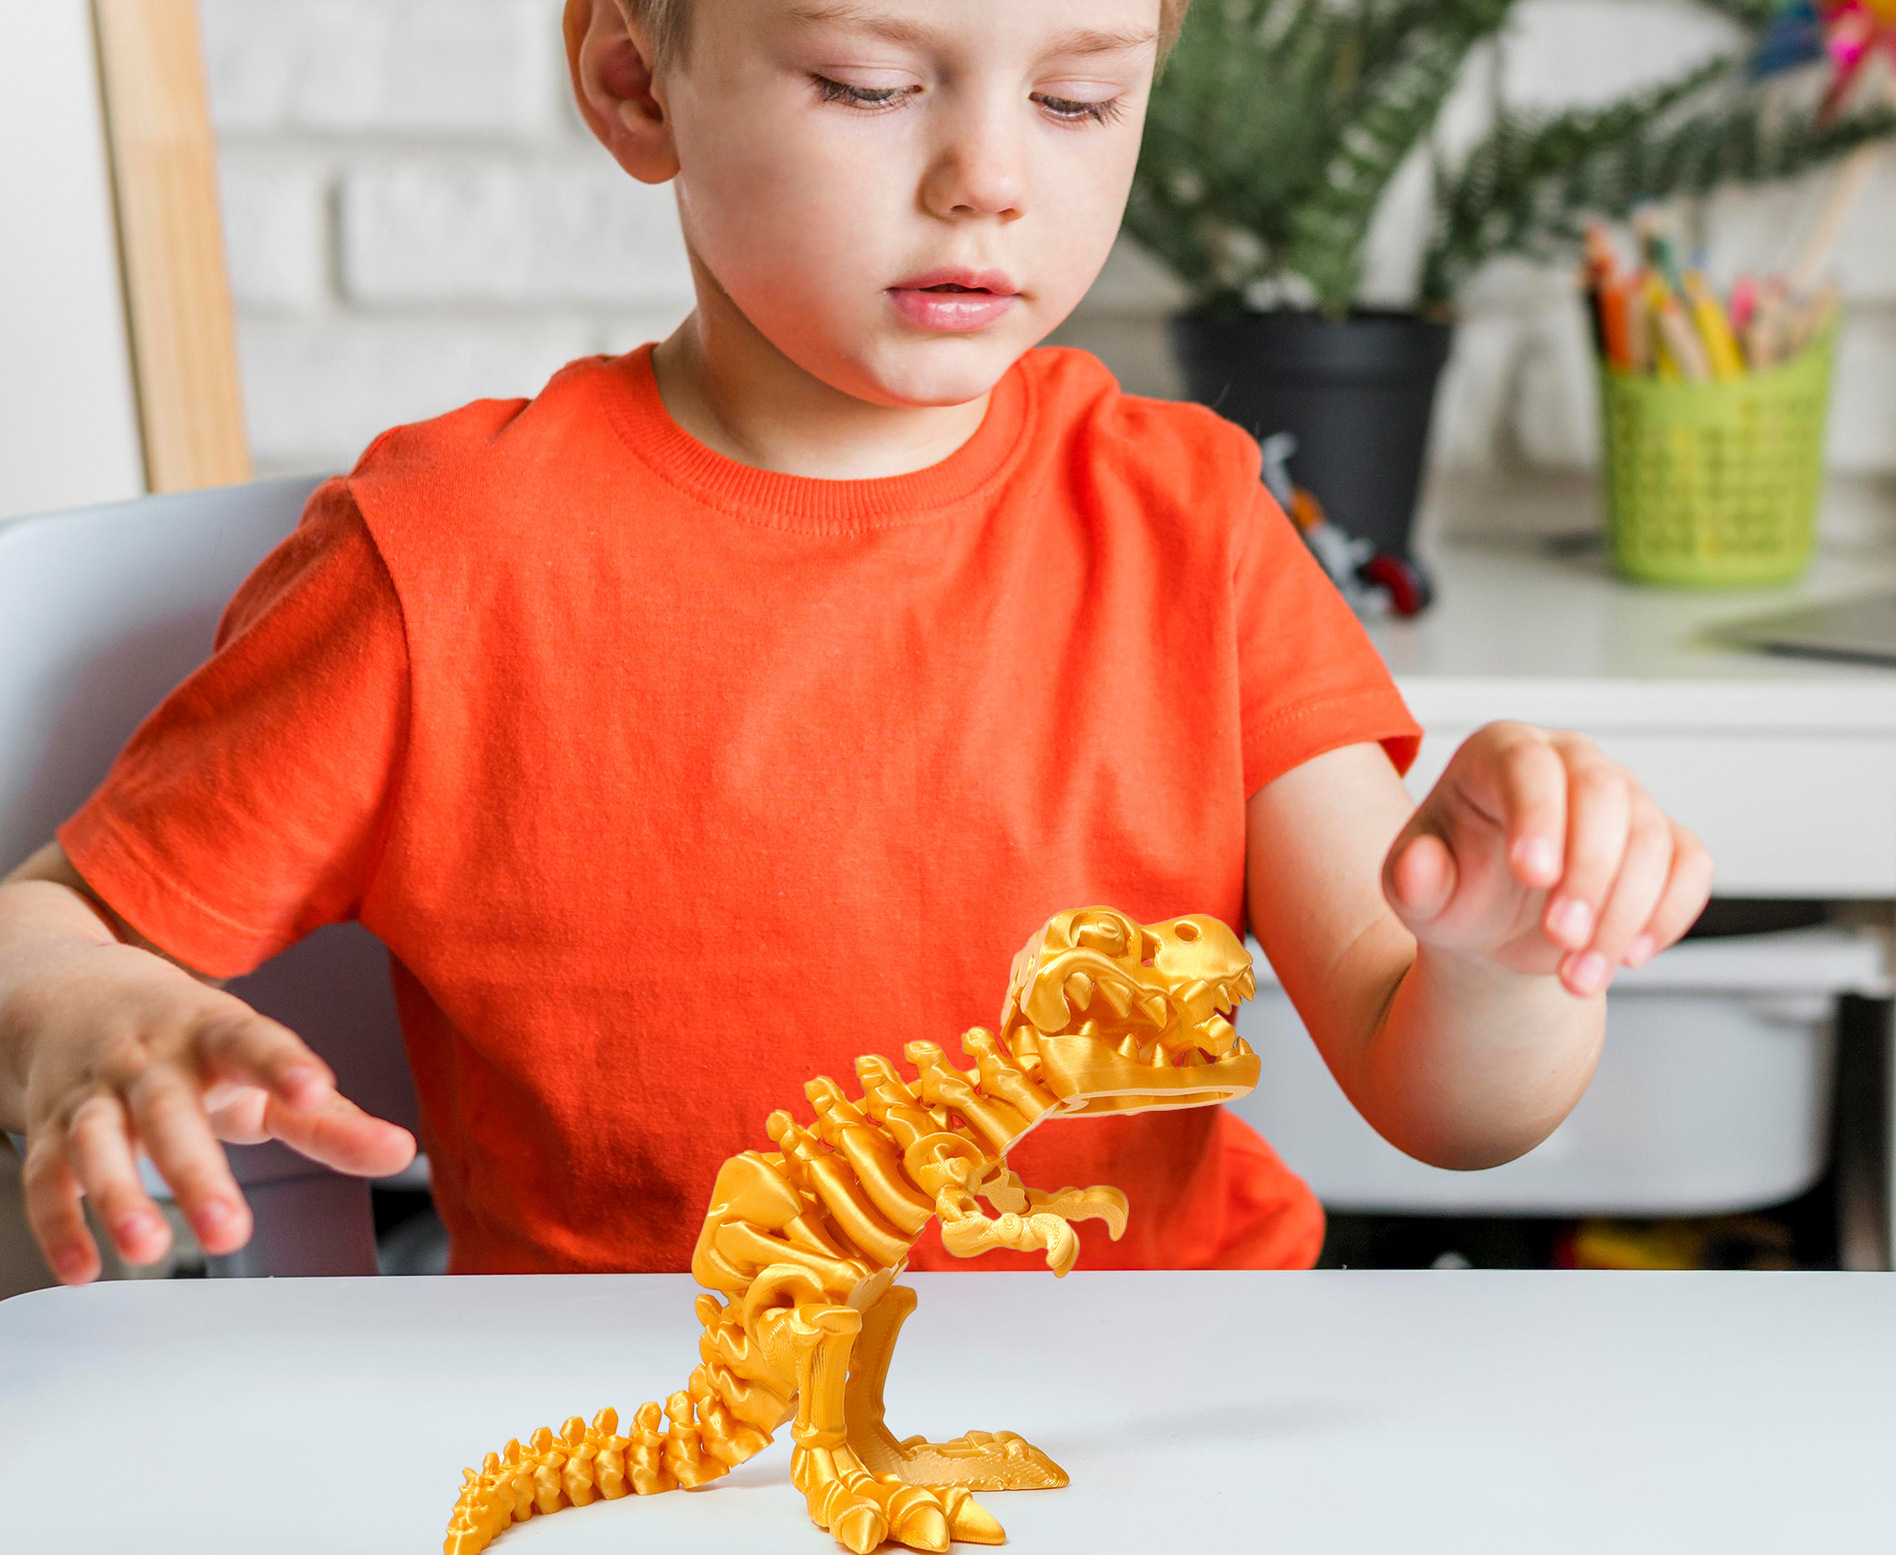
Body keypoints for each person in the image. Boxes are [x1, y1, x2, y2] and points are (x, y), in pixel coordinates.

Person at [0, 0, 1709, 1286]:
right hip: (667, 1466)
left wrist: (1507, 959)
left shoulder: (1191, 524)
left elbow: (1446, 1101)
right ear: (634, 79)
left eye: (1078, 98)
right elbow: (43, 927)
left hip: (1156, 1432)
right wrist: (88, 1010)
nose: (990, 181)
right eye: (871, 85)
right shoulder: (443, 562)